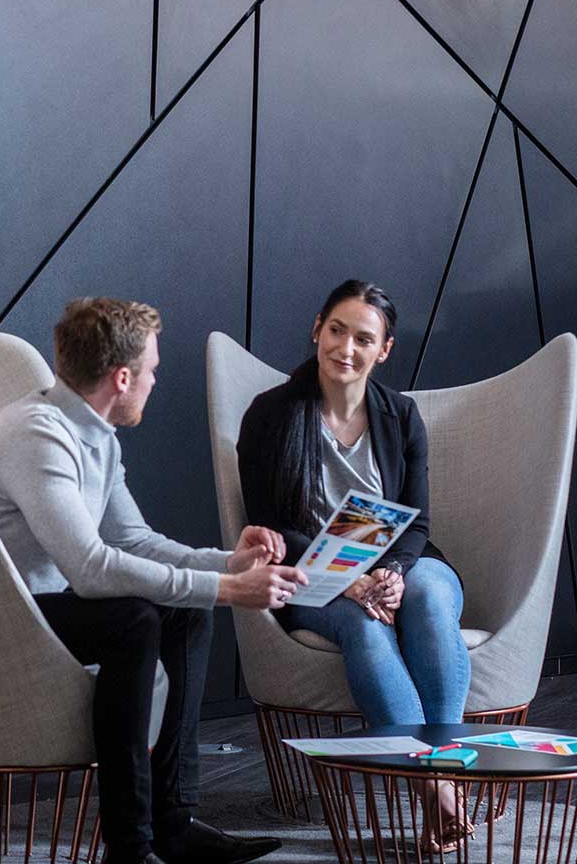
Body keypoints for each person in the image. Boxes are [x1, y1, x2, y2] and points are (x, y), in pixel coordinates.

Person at [0, 297, 306, 864]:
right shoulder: (37, 435)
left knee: (181, 611)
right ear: (121, 378)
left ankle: (173, 822)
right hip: (1, 616)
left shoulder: (95, 433)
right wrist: (227, 592)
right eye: (150, 372)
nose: (153, 381)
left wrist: (229, 563)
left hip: (50, 605)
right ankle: (129, 847)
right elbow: (91, 568)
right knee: (134, 619)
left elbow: (134, 542)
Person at [233, 280, 473, 849]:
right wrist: (352, 581)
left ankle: (439, 773)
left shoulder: (401, 416)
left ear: (383, 350)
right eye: (336, 330)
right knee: (365, 627)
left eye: (363, 338)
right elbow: (269, 526)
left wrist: (390, 575)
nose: (346, 348)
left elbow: (416, 521)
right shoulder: (270, 415)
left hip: (399, 562)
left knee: (431, 598)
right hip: (309, 575)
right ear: (317, 328)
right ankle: (440, 786)